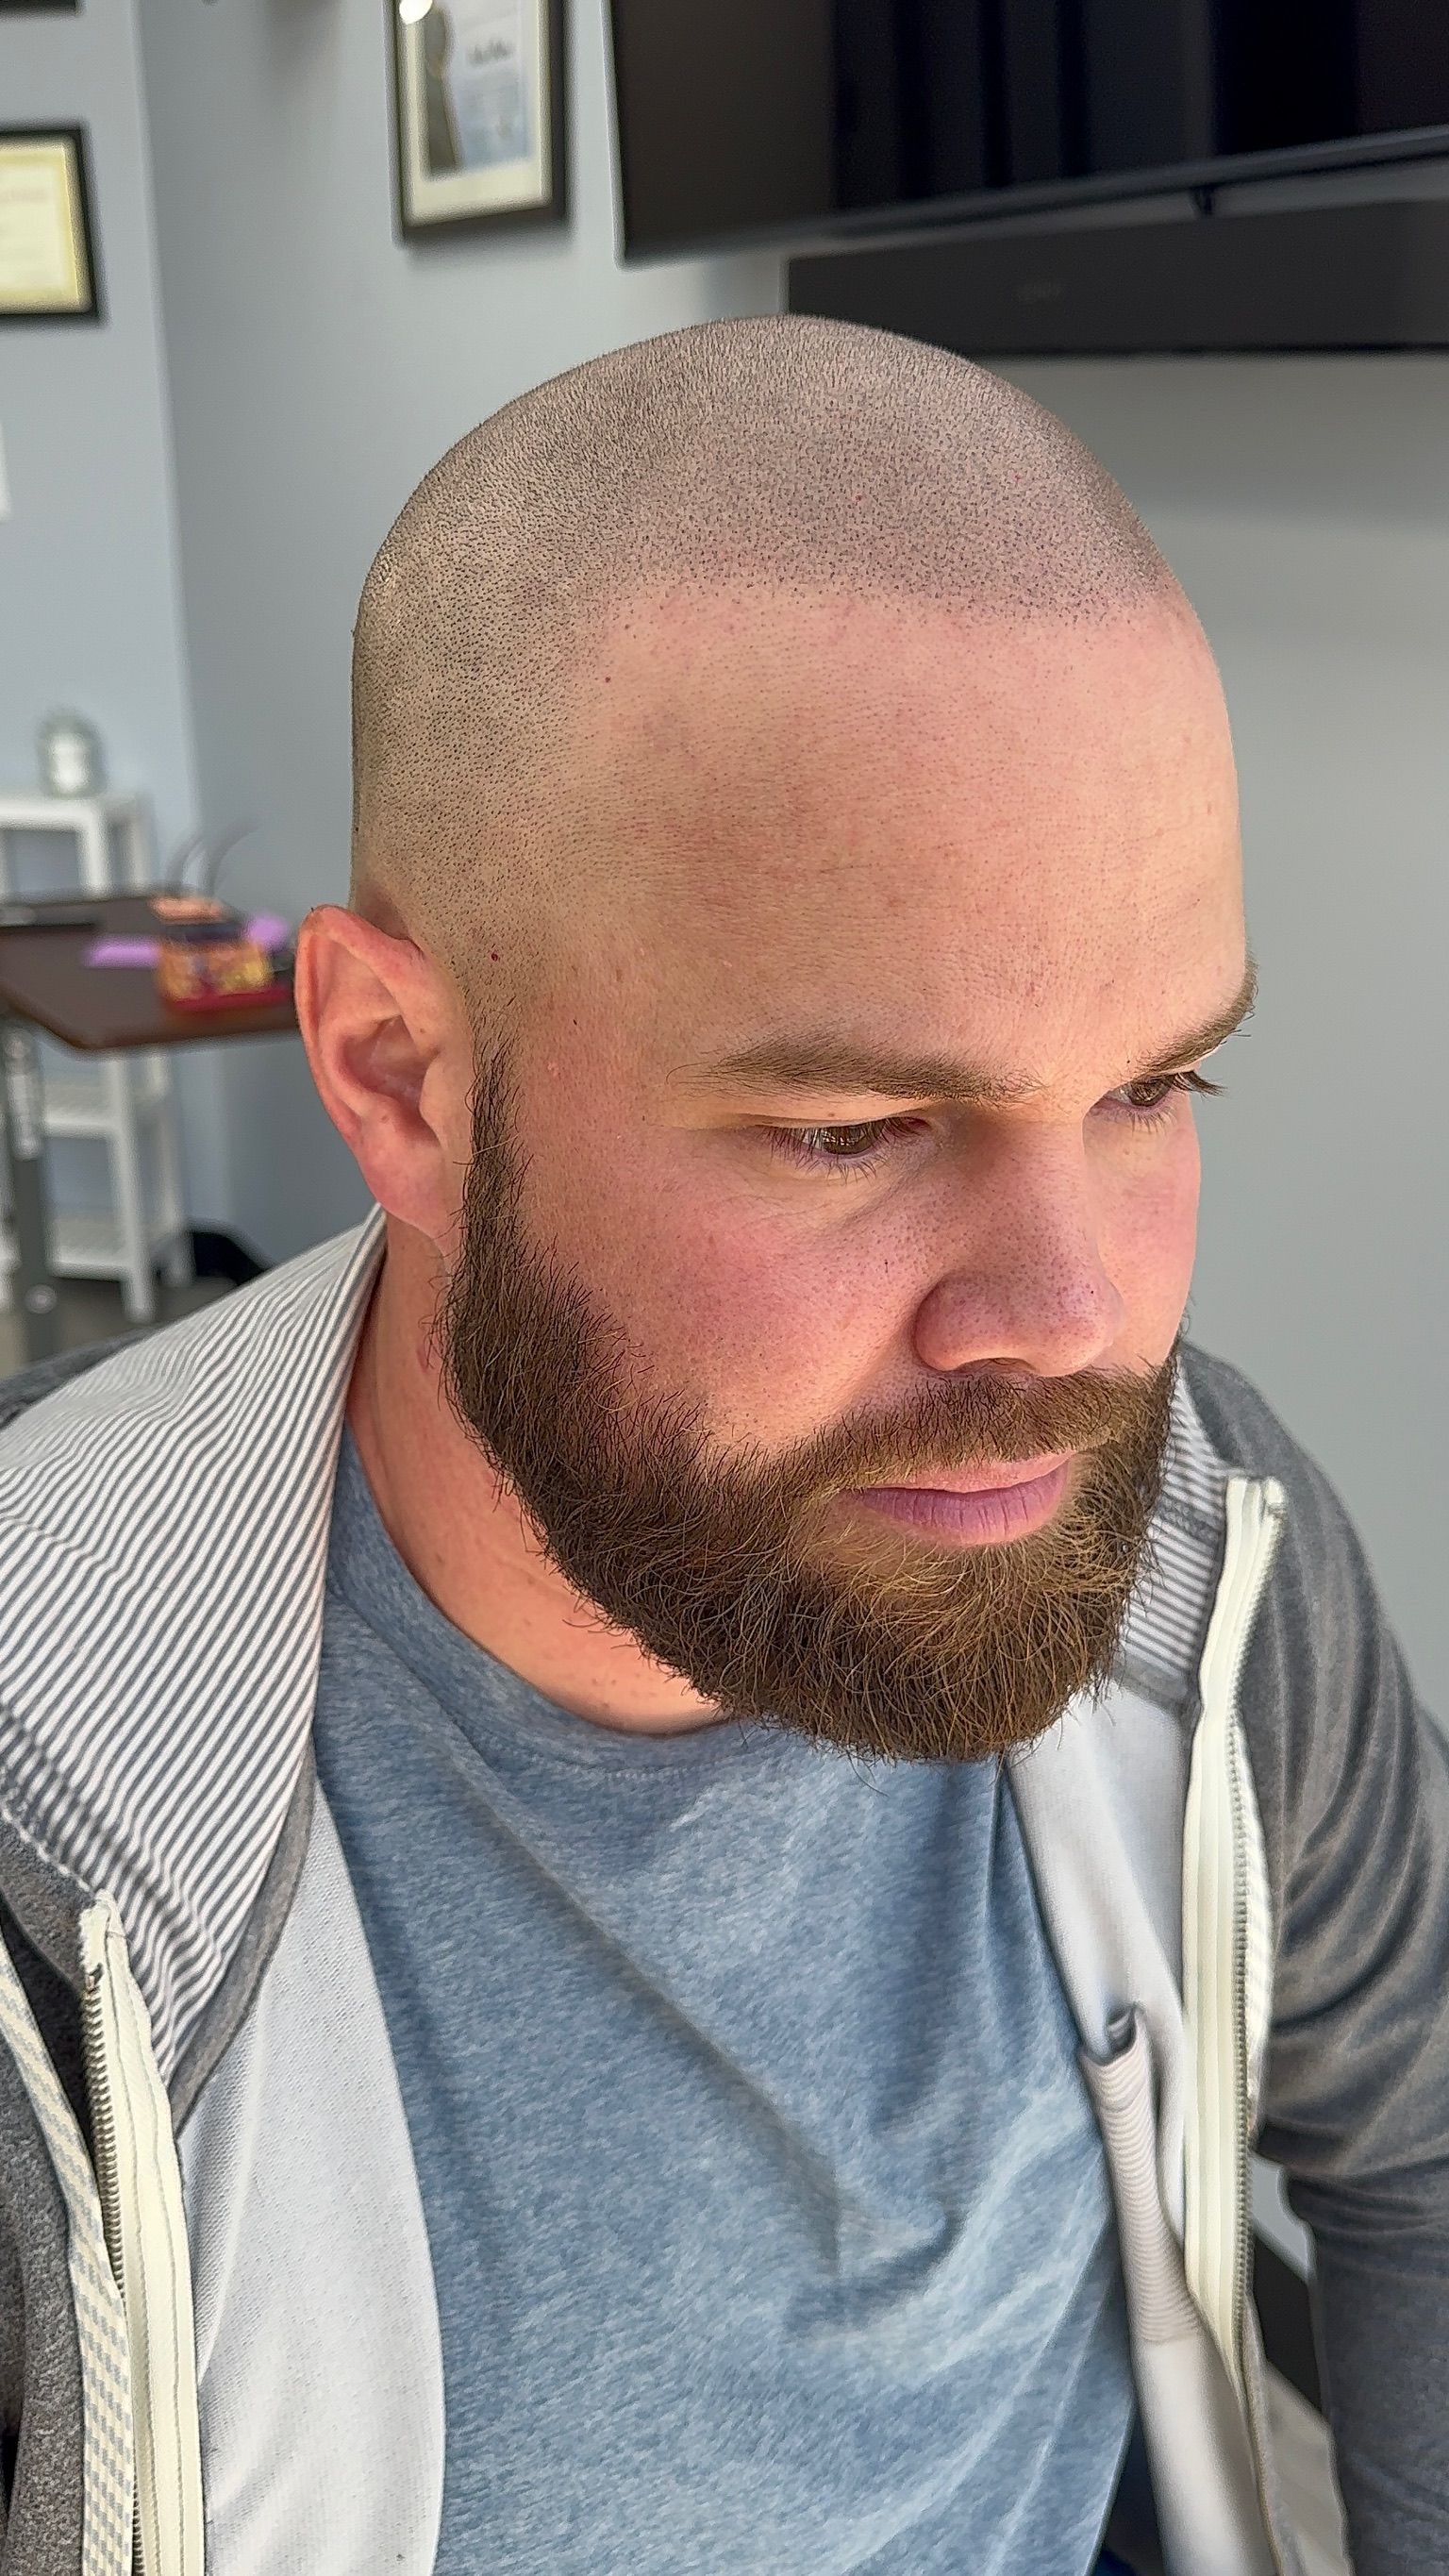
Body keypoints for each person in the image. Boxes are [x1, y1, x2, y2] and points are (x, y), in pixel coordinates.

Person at [0, 314, 1442, 2576]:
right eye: (856, 1128)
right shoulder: (46, 1832)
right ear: (397, 1081)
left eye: (1155, 1088)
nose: (1075, 1326)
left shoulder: (1200, 1554)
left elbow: (1422, 2140)